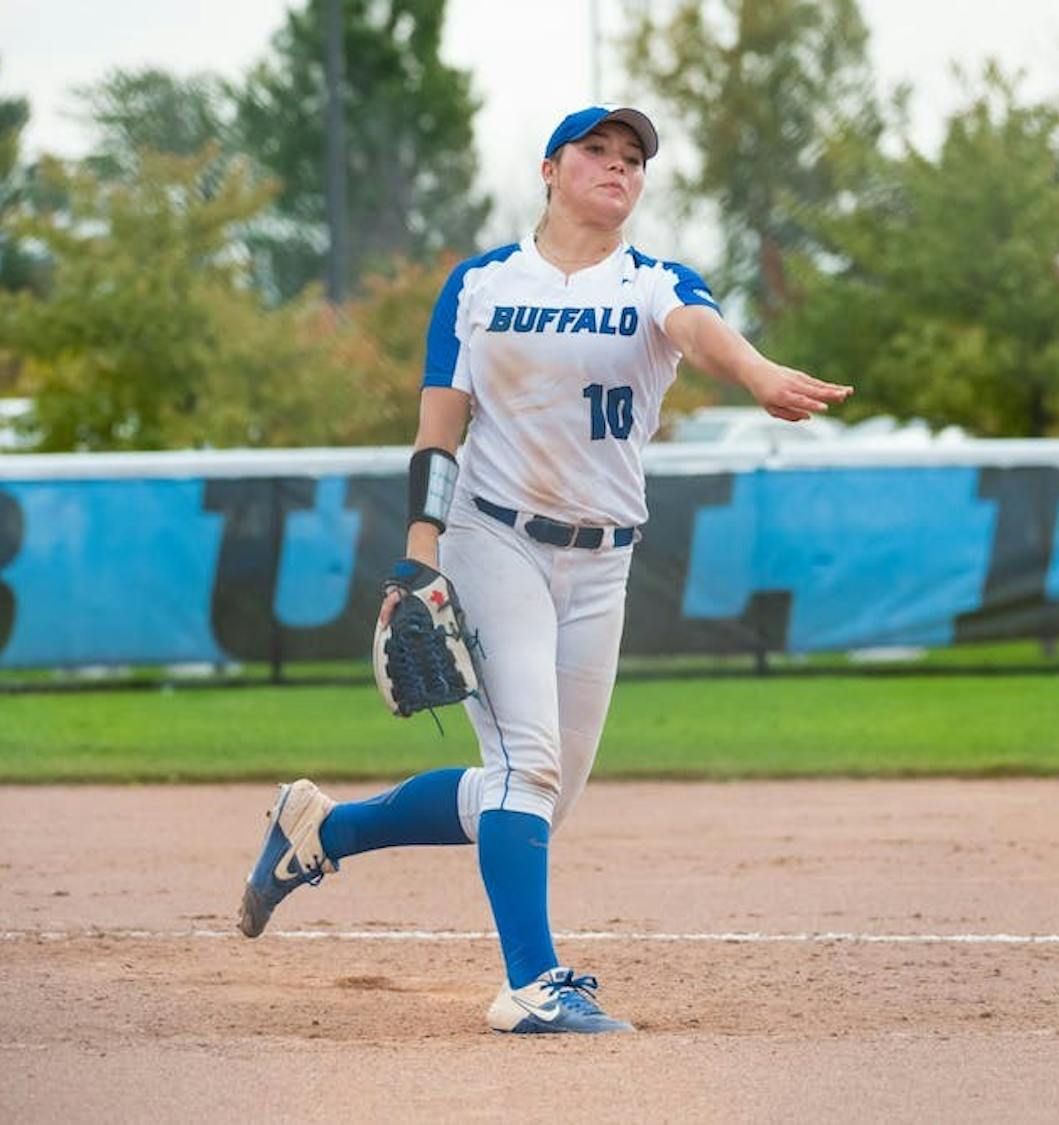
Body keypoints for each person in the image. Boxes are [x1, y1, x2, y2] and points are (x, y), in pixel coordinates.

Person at [236, 105, 852, 1034]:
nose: (618, 166)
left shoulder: (652, 281)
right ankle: (530, 985)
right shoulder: (481, 284)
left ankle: (322, 831)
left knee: (538, 794)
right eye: (596, 151)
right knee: (526, 762)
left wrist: (760, 373)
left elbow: (701, 331)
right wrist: (418, 555)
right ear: (550, 170)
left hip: (603, 559)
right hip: (494, 540)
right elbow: (438, 429)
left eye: (632, 157)